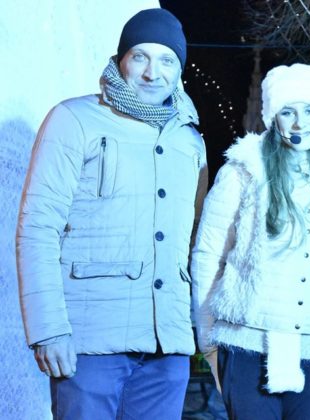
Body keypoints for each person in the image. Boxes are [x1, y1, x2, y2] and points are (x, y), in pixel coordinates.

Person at [16, 8, 208, 419]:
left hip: (167, 349)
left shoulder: (190, 142)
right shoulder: (73, 120)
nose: (152, 73)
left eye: (167, 60)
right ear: (121, 60)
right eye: (140, 56)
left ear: (179, 70)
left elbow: (192, 241)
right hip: (90, 343)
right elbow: (38, 227)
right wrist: (48, 330)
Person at [191, 63, 310, 419]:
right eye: (288, 111)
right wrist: (208, 341)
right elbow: (207, 256)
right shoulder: (242, 171)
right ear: (273, 117)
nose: (299, 123)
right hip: (246, 344)